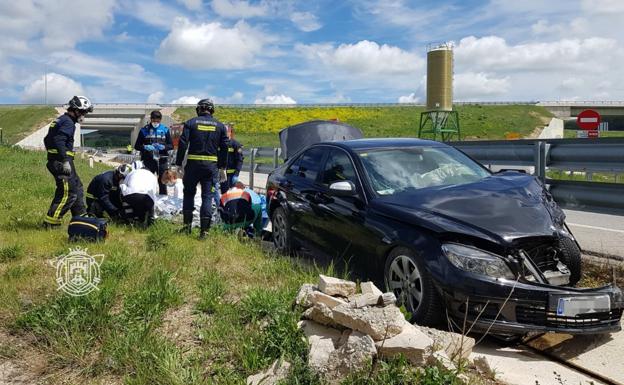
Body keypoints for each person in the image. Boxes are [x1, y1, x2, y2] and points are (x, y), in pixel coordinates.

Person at [175, 98, 228, 239]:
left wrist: (178, 163)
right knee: (207, 197)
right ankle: (204, 232)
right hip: (211, 168)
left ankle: (186, 228)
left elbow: (182, 143)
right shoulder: (221, 126)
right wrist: (223, 167)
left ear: (199, 109)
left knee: (189, 194)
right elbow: (224, 148)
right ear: (212, 110)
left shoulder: (191, 123)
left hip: (193, 166)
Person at [43, 95, 93, 228]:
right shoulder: (68, 123)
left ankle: (81, 218)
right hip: (61, 163)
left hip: (60, 161)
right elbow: (59, 140)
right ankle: (51, 223)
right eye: (83, 112)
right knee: (68, 192)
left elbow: (47, 140)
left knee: (77, 187)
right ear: (76, 110)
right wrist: (64, 160)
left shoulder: (61, 120)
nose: (84, 115)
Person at [134, 110, 173, 195]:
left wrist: (164, 147)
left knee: (163, 181)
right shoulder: (144, 130)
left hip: (162, 160)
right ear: (150, 119)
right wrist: (145, 147)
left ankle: (163, 198)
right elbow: (137, 146)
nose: (155, 122)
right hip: (148, 160)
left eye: (157, 121)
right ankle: (147, 198)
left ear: (160, 120)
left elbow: (171, 145)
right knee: (148, 180)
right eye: (154, 121)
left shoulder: (165, 130)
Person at [119, 161, 159, 227]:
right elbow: (154, 193)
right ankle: (149, 222)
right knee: (149, 202)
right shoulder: (153, 176)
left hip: (130, 196)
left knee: (124, 189)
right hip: (146, 198)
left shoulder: (133, 172)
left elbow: (124, 184)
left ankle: (128, 217)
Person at [220, 124, 244, 194]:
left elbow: (239, 160)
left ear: (230, 132)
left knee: (231, 194)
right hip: (222, 174)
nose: (225, 134)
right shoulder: (221, 144)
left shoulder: (235, 144)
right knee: (223, 194)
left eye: (226, 131)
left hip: (231, 175)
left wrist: (236, 174)